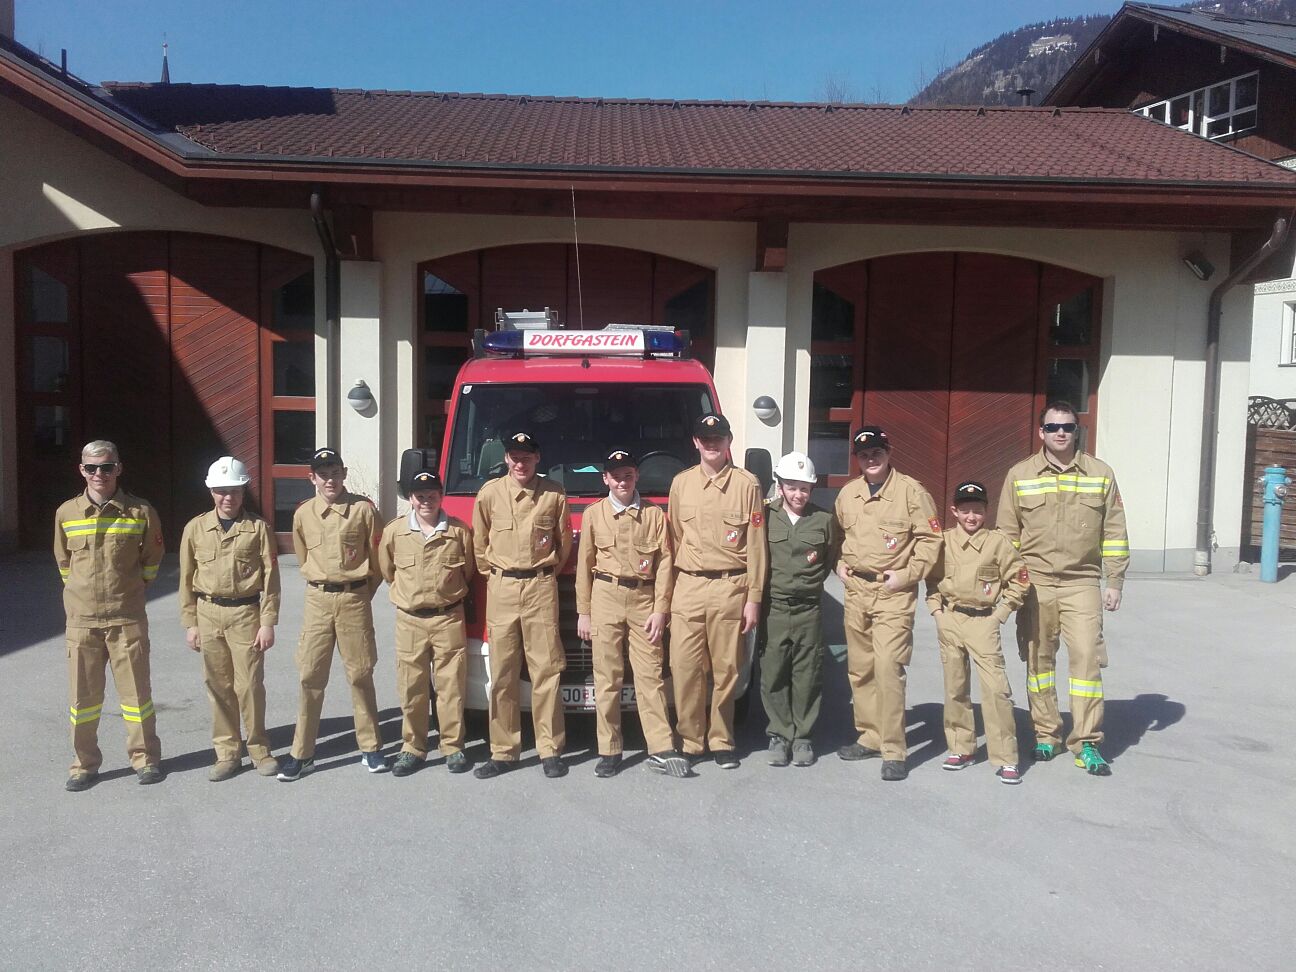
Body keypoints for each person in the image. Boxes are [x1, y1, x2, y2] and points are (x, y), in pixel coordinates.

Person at [997, 401, 1129, 776]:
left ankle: (1086, 742)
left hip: (1082, 581)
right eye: (1053, 427)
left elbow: (1114, 531)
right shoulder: (1019, 474)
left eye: (1068, 427)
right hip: (1035, 582)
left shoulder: (1100, 474)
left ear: (1076, 431)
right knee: (1038, 661)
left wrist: (1114, 580)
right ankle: (1046, 734)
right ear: (1041, 432)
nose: (1060, 433)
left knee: (1087, 659)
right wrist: (1011, 582)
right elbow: (1007, 535)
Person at [53, 440, 165, 791]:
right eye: (91, 467)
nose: (99, 474)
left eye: (106, 466)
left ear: (119, 468)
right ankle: (84, 765)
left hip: (125, 618)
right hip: (82, 622)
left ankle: (145, 760)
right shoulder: (66, 513)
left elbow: (152, 561)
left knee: (136, 697)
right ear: (81, 470)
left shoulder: (140, 511)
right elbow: (64, 564)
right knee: (83, 701)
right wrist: (82, 597)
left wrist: (130, 592)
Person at [834, 426, 941, 781]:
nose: (871, 459)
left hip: (892, 592)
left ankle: (894, 750)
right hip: (856, 591)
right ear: (857, 459)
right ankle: (870, 736)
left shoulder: (912, 492)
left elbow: (931, 540)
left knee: (888, 669)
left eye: (877, 452)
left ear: (889, 452)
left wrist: (907, 575)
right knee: (861, 669)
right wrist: (838, 563)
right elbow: (838, 537)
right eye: (864, 455)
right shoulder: (848, 494)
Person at [575, 448, 690, 779]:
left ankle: (661, 747)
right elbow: (584, 566)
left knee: (650, 675)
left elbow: (665, 564)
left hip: (643, 600)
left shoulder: (654, 515)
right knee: (606, 677)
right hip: (605, 597)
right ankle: (609, 749)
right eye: (616, 476)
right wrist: (584, 612)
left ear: (637, 476)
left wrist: (660, 610)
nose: (622, 482)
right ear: (605, 479)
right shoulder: (593, 514)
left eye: (628, 475)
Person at [278, 448, 386, 781]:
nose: (330, 480)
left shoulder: (363, 510)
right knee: (310, 675)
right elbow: (302, 556)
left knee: (360, 674)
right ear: (311, 478)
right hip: (318, 600)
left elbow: (379, 559)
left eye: (335, 473)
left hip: (354, 599)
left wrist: (361, 593)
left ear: (344, 473)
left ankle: (370, 747)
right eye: (323, 474)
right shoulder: (303, 514)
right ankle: (302, 753)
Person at [667, 413, 767, 769]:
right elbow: (675, 538)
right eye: (705, 439)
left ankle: (722, 740)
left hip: (730, 587)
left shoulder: (747, 485)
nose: (712, 444)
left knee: (726, 670)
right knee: (685, 668)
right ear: (696, 442)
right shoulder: (680, 484)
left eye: (718, 438)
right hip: (689, 586)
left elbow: (756, 546)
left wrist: (754, 598)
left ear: (729, 442)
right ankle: (691, 740)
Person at [471, 431, 572, 779]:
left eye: (527, 457)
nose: (520, 463)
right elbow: (479, 544)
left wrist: (542, 574)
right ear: (506, 459)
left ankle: (550, 749)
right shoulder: (489, 494)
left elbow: (562, 544)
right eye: (514, 457)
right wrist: (497, 576)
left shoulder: (554, 494)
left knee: (546, 671)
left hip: (540, 586)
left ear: (537, 458)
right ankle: (503, 751)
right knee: (502, 673)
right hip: (501, 587)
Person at [178, 456, 282, 782]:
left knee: (249, 685)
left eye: (234, 491)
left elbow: (271, 580)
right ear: (211, 491)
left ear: (243, 492)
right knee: (218, 686)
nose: (228, 497)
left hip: (245, 614)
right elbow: (186, 579)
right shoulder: (195, 529)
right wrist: (191, 623)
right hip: (208, 613)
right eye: (221, 491)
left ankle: (259, 749)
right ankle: (227, 753)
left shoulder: (259, 529)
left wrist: (268, 622)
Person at [925, 480, 1029, 785]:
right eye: (966, 510)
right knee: (955, 687)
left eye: (978, 510)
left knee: (996, 690)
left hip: (984, 621)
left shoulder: (998, 543)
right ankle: (961, 748)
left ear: (987, 511)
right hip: (951, 618)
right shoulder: (943, 541)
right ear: (954, 511)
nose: (972, 517)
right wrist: (937, 612)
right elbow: (931, 578)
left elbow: (1020, 579)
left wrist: (1000, 614)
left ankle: (1006, 757)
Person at [377, 469, 475, 777]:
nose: (426, 501)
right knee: (412, 687)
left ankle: (453, 746)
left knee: (451, 686)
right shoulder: (395, 532)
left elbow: (468, 571)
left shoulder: (458, 532)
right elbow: (387, 570)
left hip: (448, 617)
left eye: (432, 495)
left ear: (441, 496)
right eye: (420, 496)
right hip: (410, 620)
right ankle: (413, 747)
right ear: (410, 498)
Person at [761, 452, 840, 768]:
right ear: (780, 486)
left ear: (812, 489)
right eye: (792, 487)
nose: (798, 494)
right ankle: (780, 735)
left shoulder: (823, 520)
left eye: (804, 488)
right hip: (775, 609)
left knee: (807, 674)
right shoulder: (765, 517)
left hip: (808, 609)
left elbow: (829, 560)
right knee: (774, 672)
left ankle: (803, 737)